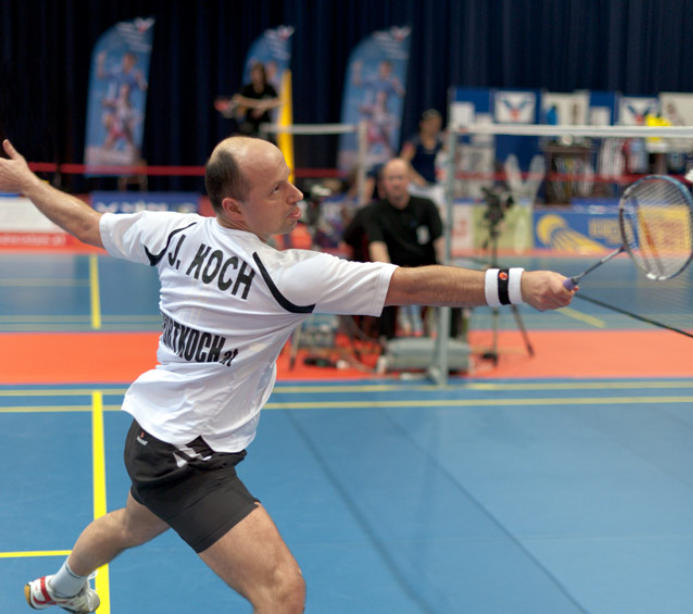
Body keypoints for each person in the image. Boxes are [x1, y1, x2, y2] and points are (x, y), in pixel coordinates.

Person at [0, 136, 574, 614]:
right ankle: (64, 586)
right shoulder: (289, 276)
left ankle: (60, 588)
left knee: (129, 525)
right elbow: (412, 284)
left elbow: (87, 224)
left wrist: (26, 182)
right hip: (186, 457)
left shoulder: (172, 232)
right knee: (282, 592)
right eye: (277, 189)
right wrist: (519, 284)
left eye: (290, 181)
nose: (297, 196)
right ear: (233, 207)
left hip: (151, 438)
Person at [363, 158, 457, 339]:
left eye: (400, 177)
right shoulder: (374, 212)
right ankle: (387, 342)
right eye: (391, 178)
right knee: (381, 288)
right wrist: (390, 276)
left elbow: (440, 243)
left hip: (428, 268)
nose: (396, 183)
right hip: (395, 271)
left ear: (408, 180)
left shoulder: (427, 206)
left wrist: (448, 269)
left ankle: (451, 340)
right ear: (383, 183)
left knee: (454, 286)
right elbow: (377, 248)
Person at [232, 62, 281, 141]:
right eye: (254, 74)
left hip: (265, 124)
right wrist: (259, 105)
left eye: (258, 74)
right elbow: (238, 99)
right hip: (250, 124)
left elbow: (278, 102)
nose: (256, 76)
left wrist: (263, 107)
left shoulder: (269, 88)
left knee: (272, 141)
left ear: (263, 74)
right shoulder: (247, 88)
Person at [400, 109, 445, 186]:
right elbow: (403, 162)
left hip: (434, 184)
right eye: (431, 124)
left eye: (437, 124)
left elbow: (451, 159)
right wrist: (415, 177)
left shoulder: (440, 142)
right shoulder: (413, 142)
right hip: (415, 185)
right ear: (422, 124)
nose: (434, 127)